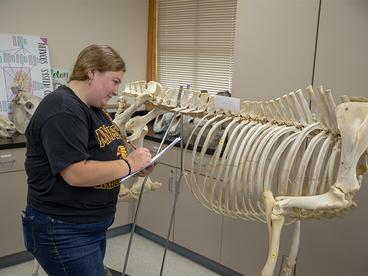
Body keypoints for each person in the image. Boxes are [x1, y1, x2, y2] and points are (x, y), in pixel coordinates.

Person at [22, 44, 154, 275]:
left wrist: (135, 165)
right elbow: (75, 173)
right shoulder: (63, 109)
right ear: (92, 72)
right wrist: (129, 164)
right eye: (114, 81)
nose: (116, 90)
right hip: (64, 229)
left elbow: (106, 151)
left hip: (90, 226)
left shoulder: (94, 108)